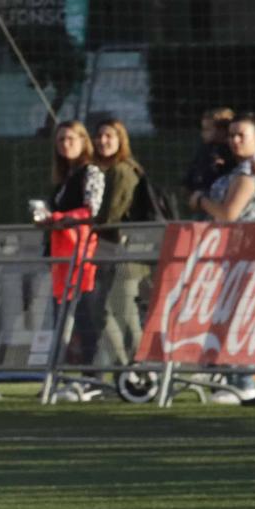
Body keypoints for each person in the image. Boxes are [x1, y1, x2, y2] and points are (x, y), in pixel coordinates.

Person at [188, 114, 255, 403]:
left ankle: (244, 381)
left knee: (239, 317)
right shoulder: (236, 167)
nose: (234, 141)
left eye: (241, 135)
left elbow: (229, 214)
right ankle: (226, 374)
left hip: (246, 252)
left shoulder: (252, 169)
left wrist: (201, 201)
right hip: (228, 254)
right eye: (231, 135)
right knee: (225, 314)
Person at [35, 120, 104, 360]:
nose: (65, 144)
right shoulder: (64, 178)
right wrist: (47, 219)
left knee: (85, 317)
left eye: (71, 139)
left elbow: (92, 209)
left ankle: (92, 375)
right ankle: (62, 376)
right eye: (61, 140)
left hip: (83, 255)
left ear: (84, 142)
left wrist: (62, 218)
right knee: (63, 319)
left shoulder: (91, 172)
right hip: (62, 256)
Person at [89, 118, 151, 369]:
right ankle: (123, 368)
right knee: (111, 311)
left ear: (121, 140)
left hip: (127, 253)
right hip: (117, 251)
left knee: (121, 313)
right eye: (100, 136)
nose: (103, 141)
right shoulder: (109, 170)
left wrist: (83, 224)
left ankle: (139, 368)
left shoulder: (122, 170)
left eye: (109, 136)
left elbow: (111, 215)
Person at [182, 107, 234, 216]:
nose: (203, 133)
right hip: (200, 195)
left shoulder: (230, 152)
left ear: (223, 131)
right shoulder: (204, 149)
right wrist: (188, 184)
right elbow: (194, 167)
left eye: (207, 129)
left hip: (216, 199)